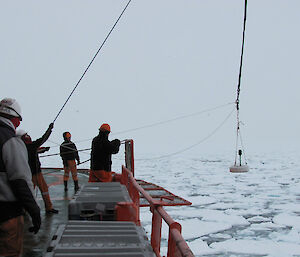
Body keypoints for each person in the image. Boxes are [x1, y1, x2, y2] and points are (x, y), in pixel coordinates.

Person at [0, 98, 41, 257]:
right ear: (15, 119)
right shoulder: (10, 141)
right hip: (7, 213)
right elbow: (20, 181)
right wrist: (34, 211)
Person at [17, 125, 59, 214]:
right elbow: (43, 139)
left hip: (26, 173)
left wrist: (42, 150)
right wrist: (49, 129)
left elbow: (33, 150)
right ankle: (48, 208)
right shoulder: (31, 146)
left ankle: (24, 209)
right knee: (44, 189)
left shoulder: (20, 148)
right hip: (35, 173)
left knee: (28, 193)